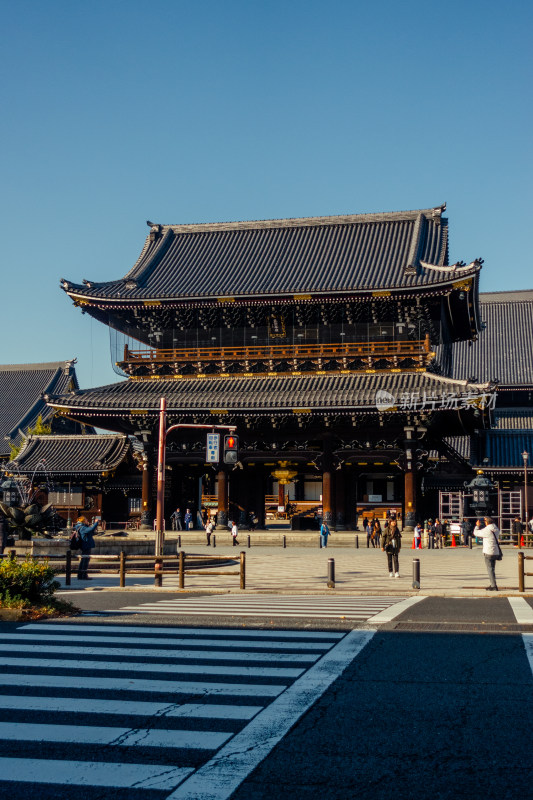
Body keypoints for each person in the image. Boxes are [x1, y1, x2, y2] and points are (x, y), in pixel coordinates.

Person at [474, 515, 502, 591]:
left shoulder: (487, 530)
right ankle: (493, 584)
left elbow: (476, 533)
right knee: (492, 569)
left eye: (485, 521)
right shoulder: (496, 528)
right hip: (495, 551)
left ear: (487, 522)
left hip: (488, 551)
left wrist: (477, 526)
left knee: (490, 569)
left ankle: (493, 586)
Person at [74, 516, 98, 580]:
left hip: (84, 545)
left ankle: (80, 575)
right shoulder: (82, 527)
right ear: (84, 521)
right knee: (85, 560)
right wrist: (96, 523)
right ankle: (83, 575)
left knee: (83, 560)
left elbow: (90, 532)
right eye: (86, 520)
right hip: (86, 545)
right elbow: (90, 529)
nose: (88, 521)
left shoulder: (81, 527)